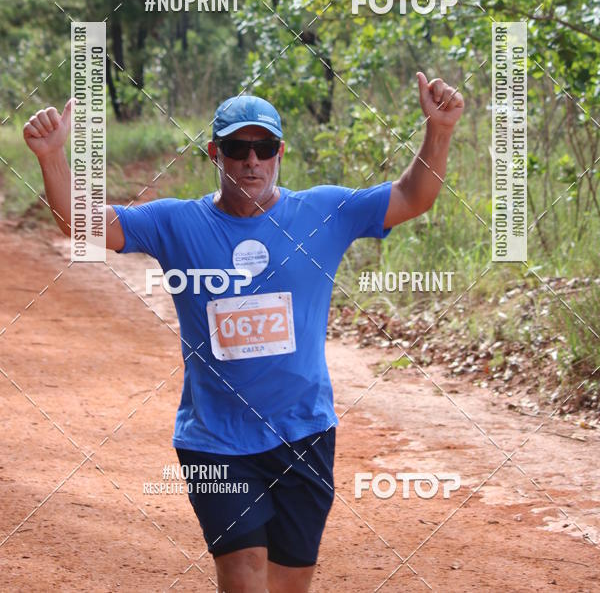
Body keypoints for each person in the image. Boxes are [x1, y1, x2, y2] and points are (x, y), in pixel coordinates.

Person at [23, 72, 464, 593]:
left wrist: (439, 131)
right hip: (215, 439)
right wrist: (52, 156)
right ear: (215, 152)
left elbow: (413, 197)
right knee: (244, 573)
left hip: (304, 432)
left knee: (288, 584)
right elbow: (85, 224)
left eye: (264, 147)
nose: (251, 160)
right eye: (237, 148)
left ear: (281, 152)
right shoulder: (176, 223)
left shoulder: (324, 212)